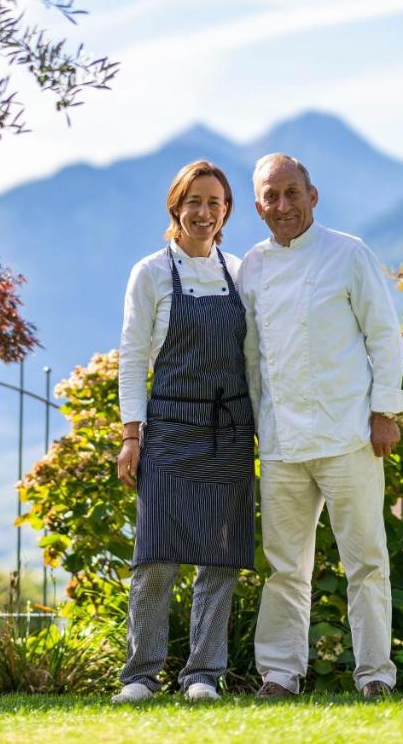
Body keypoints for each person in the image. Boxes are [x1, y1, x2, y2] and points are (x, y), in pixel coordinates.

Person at [240, 153, 403, 700]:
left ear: (313, 196)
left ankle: (374, 676)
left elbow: (383, 335)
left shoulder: (348, 254)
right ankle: (279, 675)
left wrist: (384, 412)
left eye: (293, 193)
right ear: (257, 206)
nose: (284, 205)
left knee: (366, 559)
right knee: (285, 566)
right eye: (272, 196)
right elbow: (250, 357)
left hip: (348, 436)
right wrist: (253, 424)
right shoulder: (250, 266)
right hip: (281, 442)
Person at [111, 159, 256, 705]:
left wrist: (261, 424)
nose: (204, 212)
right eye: (194, 201)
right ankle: (140, 676)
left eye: (214, 203)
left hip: (229, 430)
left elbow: (253, 358)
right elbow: (132, 357)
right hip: (170, 425)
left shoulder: (239, 271)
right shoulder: (150, 272)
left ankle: (203, 675)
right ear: (176, 207)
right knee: (156, 557)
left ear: (226, 212)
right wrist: (132, 434)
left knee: (220, 559)